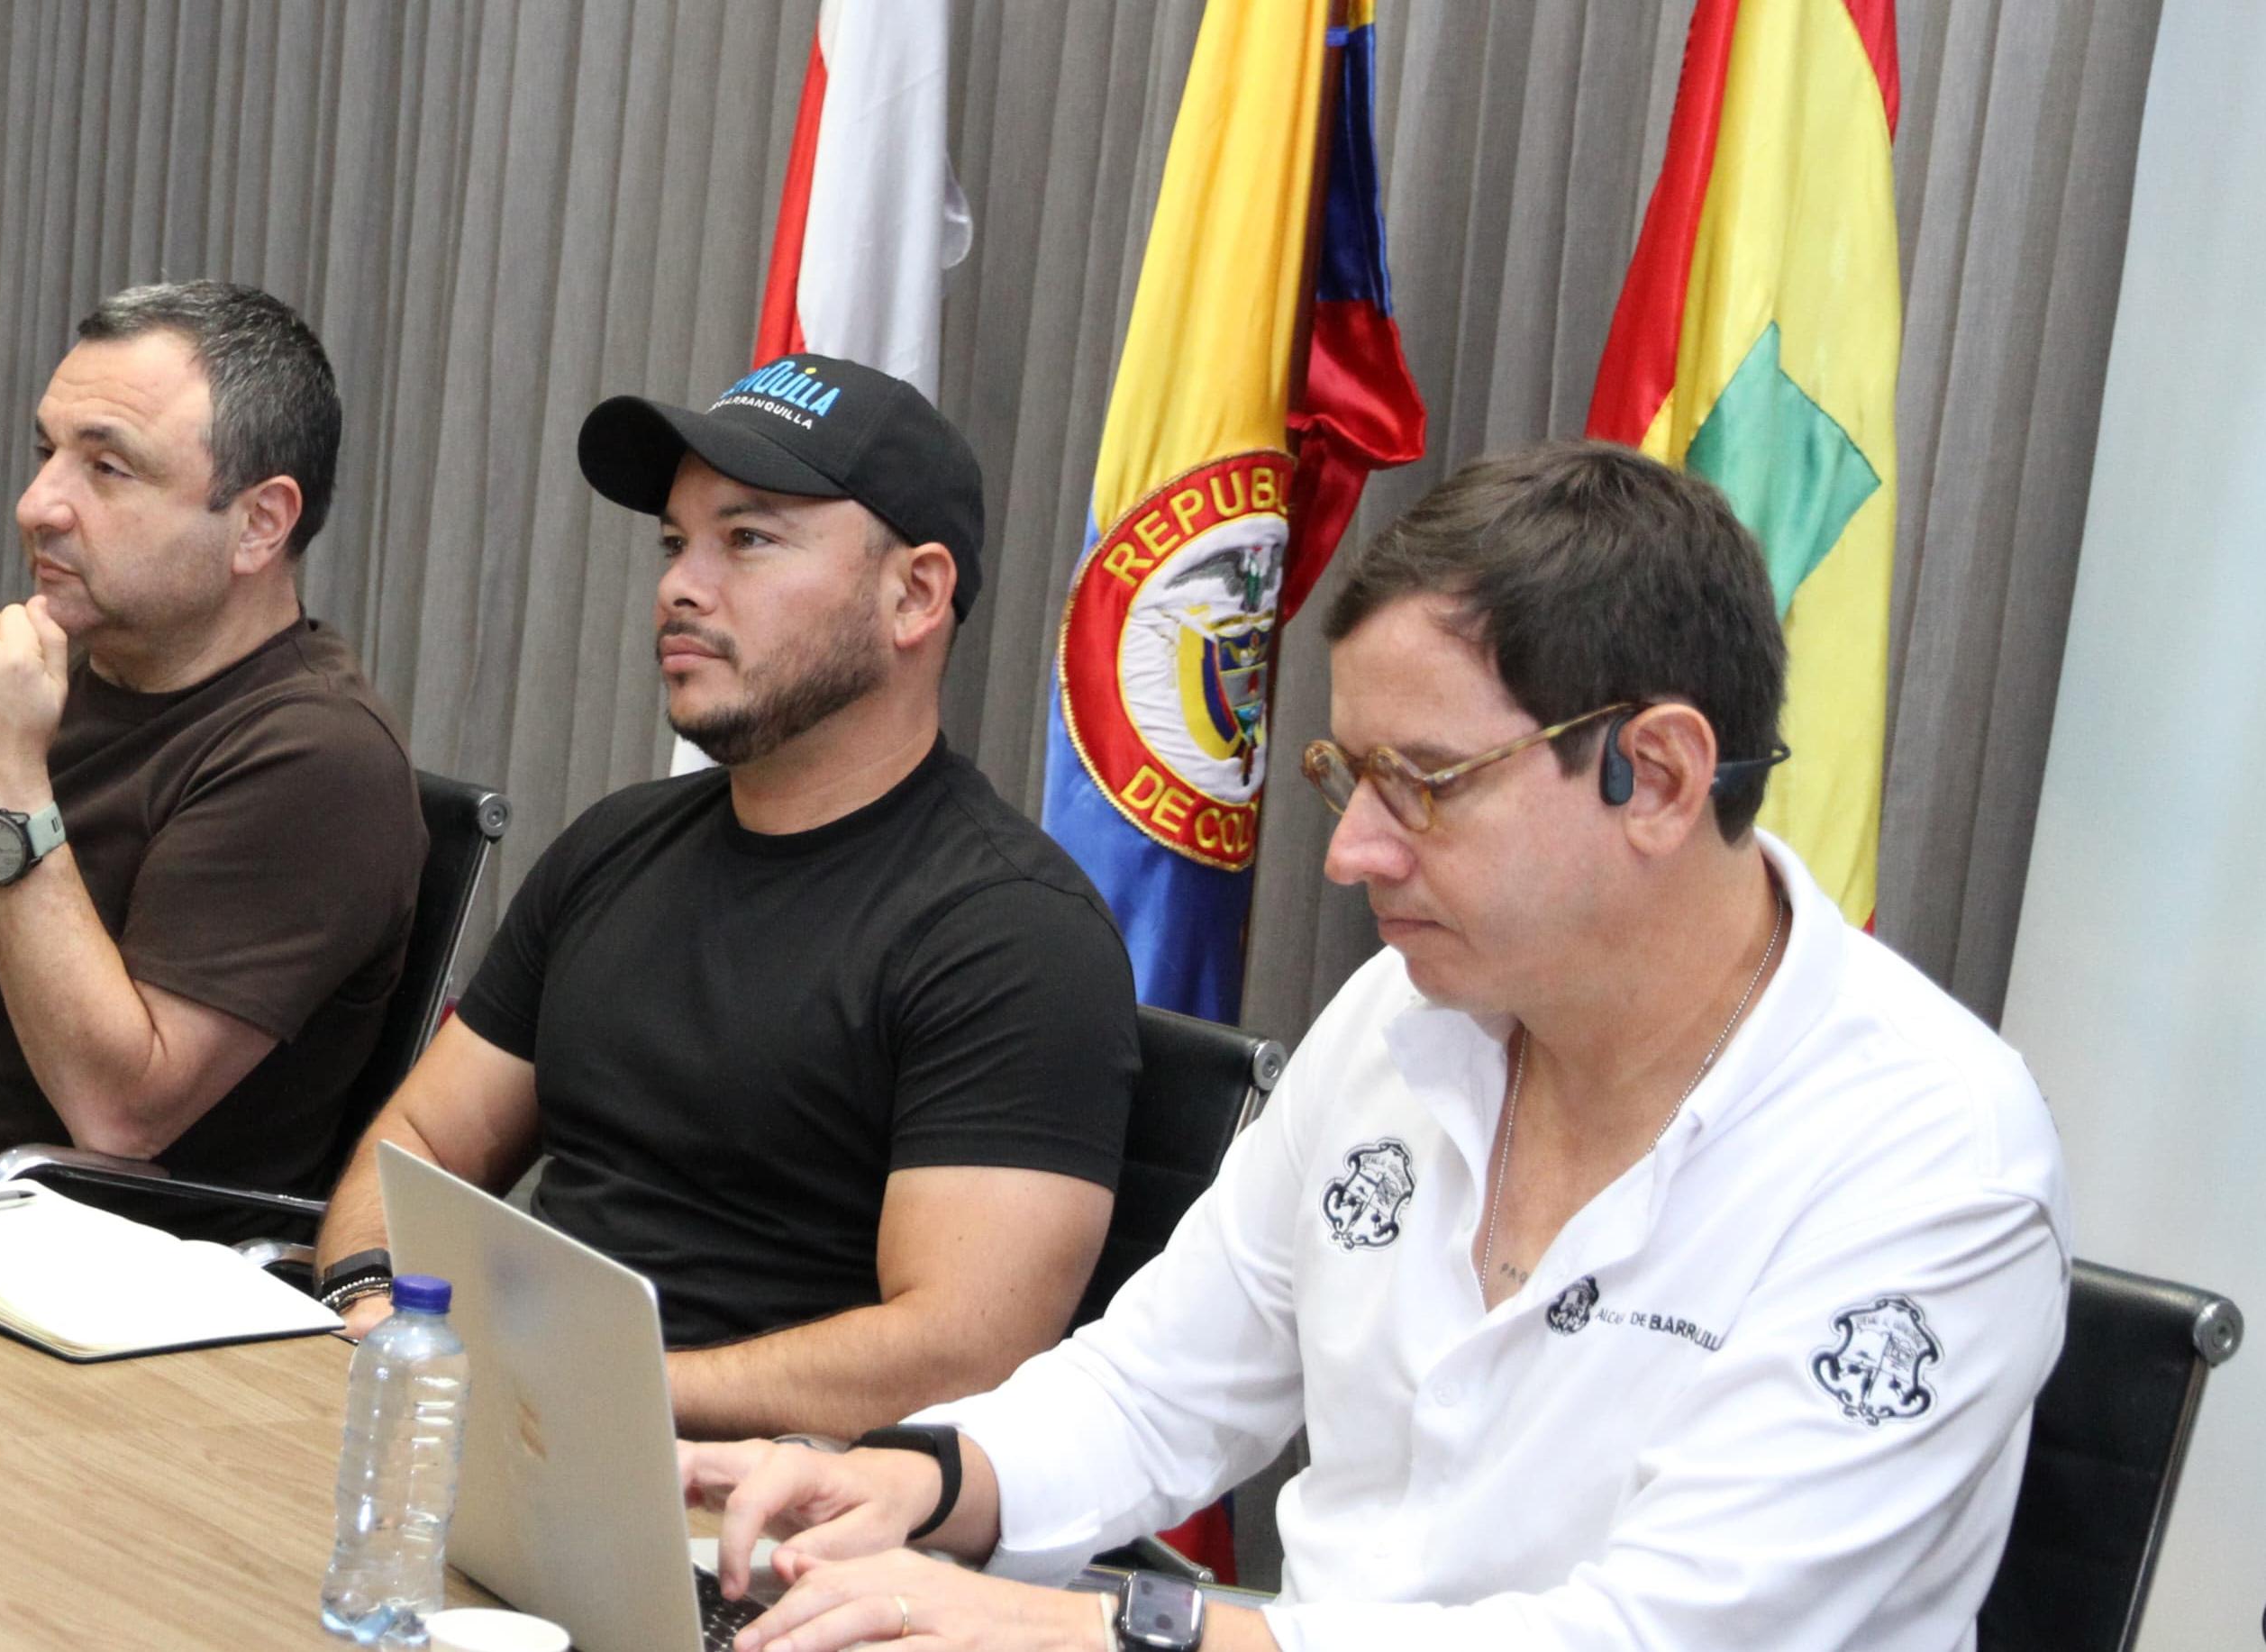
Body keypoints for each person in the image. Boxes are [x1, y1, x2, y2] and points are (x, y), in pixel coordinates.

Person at [687, 443, 2068, 1652]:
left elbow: (1644, 1637)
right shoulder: (1406, 1016)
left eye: (1422, 784)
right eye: (1349, 780)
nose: (1352, 851)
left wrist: (1106, 1629)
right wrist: (926, 1477)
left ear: (1650, 774)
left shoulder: (1930, 1153)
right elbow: (1161, 1381)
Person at [308, 355, 1141, 1442]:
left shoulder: (1013, 936)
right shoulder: (614, 845)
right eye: (672, 542)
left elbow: (961, 1347)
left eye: (746, 538)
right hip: (500, 1430)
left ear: (914, 594)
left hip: (772, 1518)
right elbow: (419, 1136)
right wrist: (371, 1299)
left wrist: (600, 1387)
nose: (678, 586)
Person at [0, 281, 422, 1237]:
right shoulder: (20, 680)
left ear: (260, 523)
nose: (36, 504)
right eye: (44, 451)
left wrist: (8, 789)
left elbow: (120, 1111)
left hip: (70, 1275)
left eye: (107, 468)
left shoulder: (315, 756)